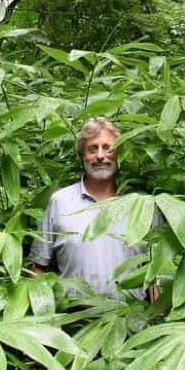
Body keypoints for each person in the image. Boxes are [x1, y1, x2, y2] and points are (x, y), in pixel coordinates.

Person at [30, 117, 158, 301]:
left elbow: (155, 273)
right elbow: (39, 269)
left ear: (118, 154)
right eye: (92, 149)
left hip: (132, 319)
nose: (100, 155)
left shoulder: (142, 205)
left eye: (108, 148)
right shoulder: (60, 202)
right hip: (72, 321)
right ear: (83, 155)